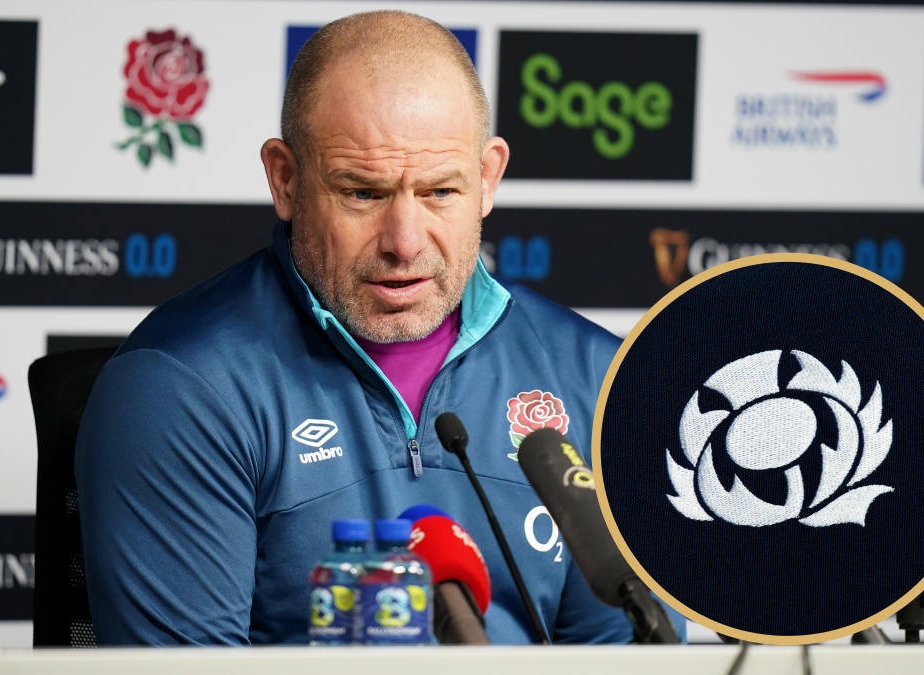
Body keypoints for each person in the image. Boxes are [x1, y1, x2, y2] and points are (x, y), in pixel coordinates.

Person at [76, 10, 686, 645]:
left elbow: (627, 657)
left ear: (487, 179)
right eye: (363, 193)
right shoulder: (179, 387)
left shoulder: (597, 378)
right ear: (285, 181)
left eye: (440, 192)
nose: (404, 241)